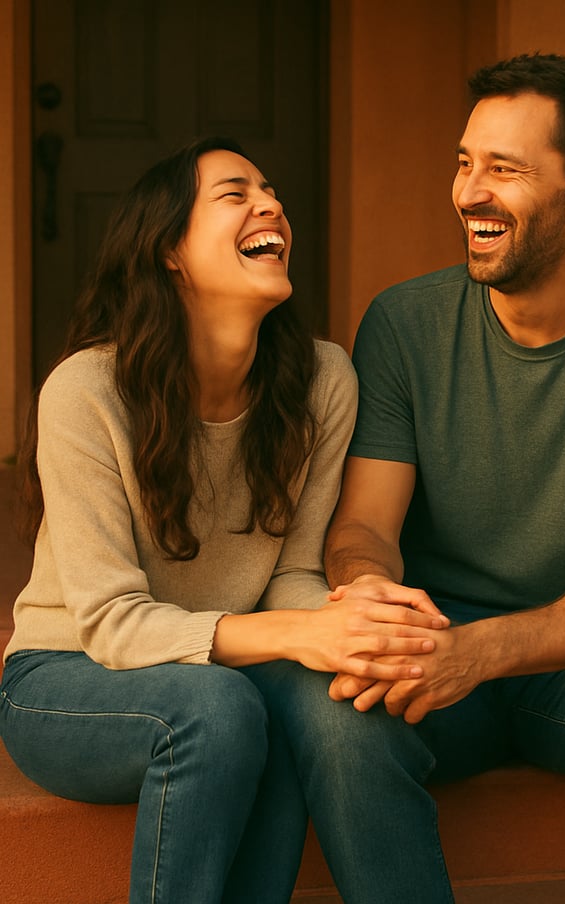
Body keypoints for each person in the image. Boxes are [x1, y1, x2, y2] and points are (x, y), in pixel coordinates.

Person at [260, 55, 565, 903]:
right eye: (464, 162)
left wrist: (481, 653)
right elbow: (365, 526)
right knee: (334, 712)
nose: (469, 193)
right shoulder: (405, 321)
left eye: (505, 170)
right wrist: (373, 599)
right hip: (435, 635)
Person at [0, 136, 446, 904]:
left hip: (223, 676)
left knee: (319, 703)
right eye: (235, 194)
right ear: (169, 251)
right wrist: (301, 635)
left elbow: (293, 574)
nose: (270, 204)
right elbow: (111, 623)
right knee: (223, 707)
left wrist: (355, 624)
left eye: (270, 191)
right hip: (70, 676)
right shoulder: (86, 391)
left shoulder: (323, 380)